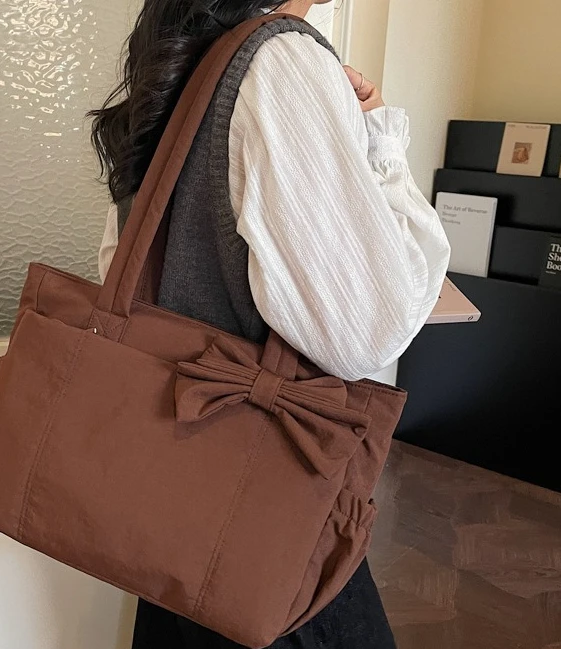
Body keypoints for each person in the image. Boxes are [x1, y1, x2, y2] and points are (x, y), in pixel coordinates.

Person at [91, 0, 450, 647]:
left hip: (166, 503)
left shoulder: (179, 54)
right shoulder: (281, 60)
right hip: (264, 513)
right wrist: (379, 142)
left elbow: (121, 263)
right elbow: (370, 327)